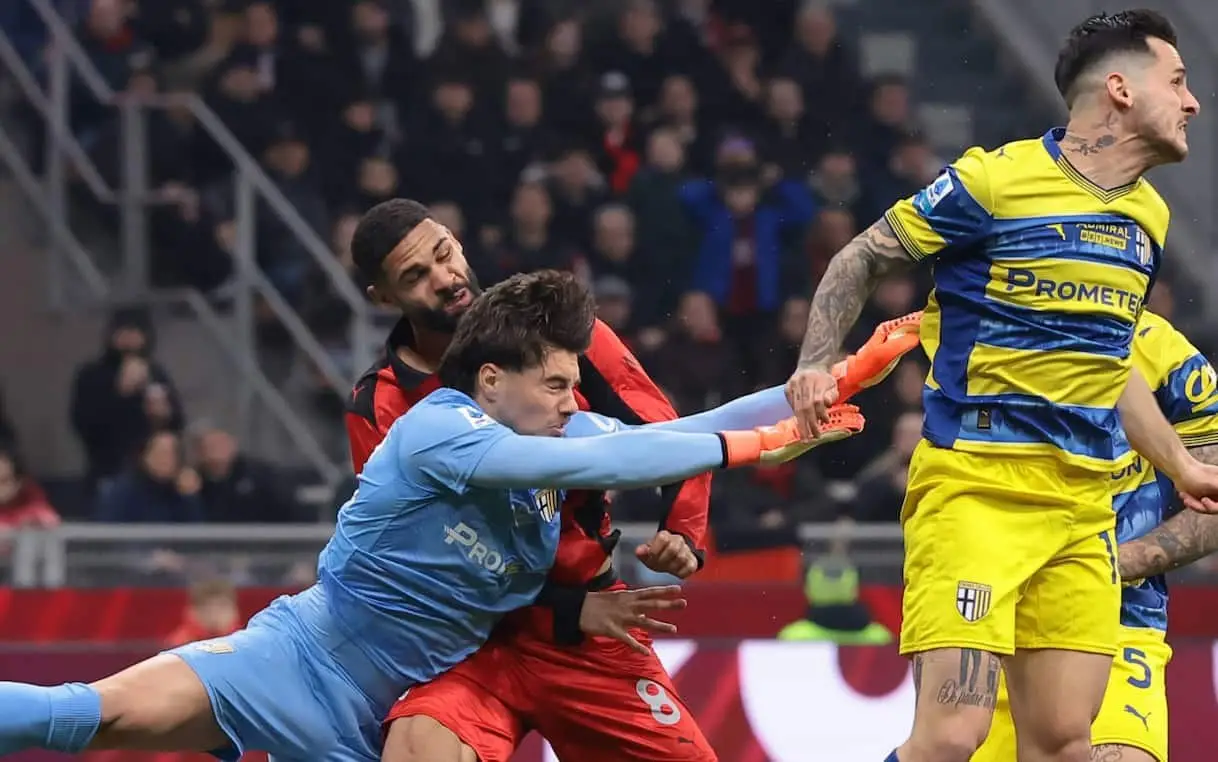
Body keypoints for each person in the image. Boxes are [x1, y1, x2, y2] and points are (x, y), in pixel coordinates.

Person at [0, 270, 843, 761]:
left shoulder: (557, 434)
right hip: (293, 660)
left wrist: (827, 382)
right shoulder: (439, 428)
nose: (570, 401)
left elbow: (683, 431)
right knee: (90, 715)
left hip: (385, 714)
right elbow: (606, 460)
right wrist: (753, 446)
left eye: (572, 385)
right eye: (554, 384)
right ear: (492, 381)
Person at [782, 10, 1218, 762]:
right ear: (1120, 89)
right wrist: (815, 361)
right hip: (979, 492)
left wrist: (1181, 466)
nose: (1192, 102)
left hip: (1081, 514)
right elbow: (863, 256)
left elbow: (1108, 366)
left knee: (1063, 744)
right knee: (953, 737)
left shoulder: (1147, 216)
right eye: (1177, 81)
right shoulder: (995, 180)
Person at [346, 199, 915, 762]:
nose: (445, 278)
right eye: (415, 276)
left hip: (591, 631)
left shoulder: (561, 333)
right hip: (471, 640)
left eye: (444, 253)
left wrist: (682, 526)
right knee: (418, 747)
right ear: (383, 297)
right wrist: (566, 608)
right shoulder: (384, 407)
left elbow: (664, 435)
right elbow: (421, 553)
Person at [972, 309, 1218, 762]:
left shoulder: (1171, 359)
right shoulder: (985, 336)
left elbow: (1213, 501)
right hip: (997, 623)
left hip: (1122, 620)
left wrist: (1116, 560)